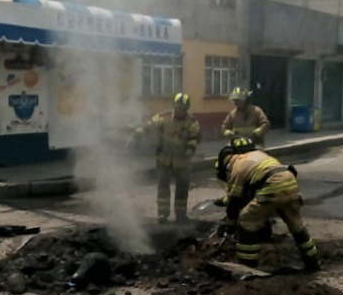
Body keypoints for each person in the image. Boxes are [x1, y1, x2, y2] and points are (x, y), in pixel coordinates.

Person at [216, 137, 320, 270]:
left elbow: (234, 201)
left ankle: (248, 267)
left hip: (272, 186)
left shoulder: (236, 165)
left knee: (247, 219)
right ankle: (312, 262)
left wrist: (230, 225)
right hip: (290, 183)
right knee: (296, 224)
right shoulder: (259, 155)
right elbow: (253, 186)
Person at [131, 93, 201, 224]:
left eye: (182, 108)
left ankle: (181, 215)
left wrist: (190, 149)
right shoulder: (164, 117)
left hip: (182, 162)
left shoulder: (192, 122)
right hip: (164, 159)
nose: (179, 110)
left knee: (182, 189)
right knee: (163, 188)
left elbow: (195, 138)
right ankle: (163, 215)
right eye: (177, 107)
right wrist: (138, 133)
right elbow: (149, 125)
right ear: (174, 106)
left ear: (187, 108)